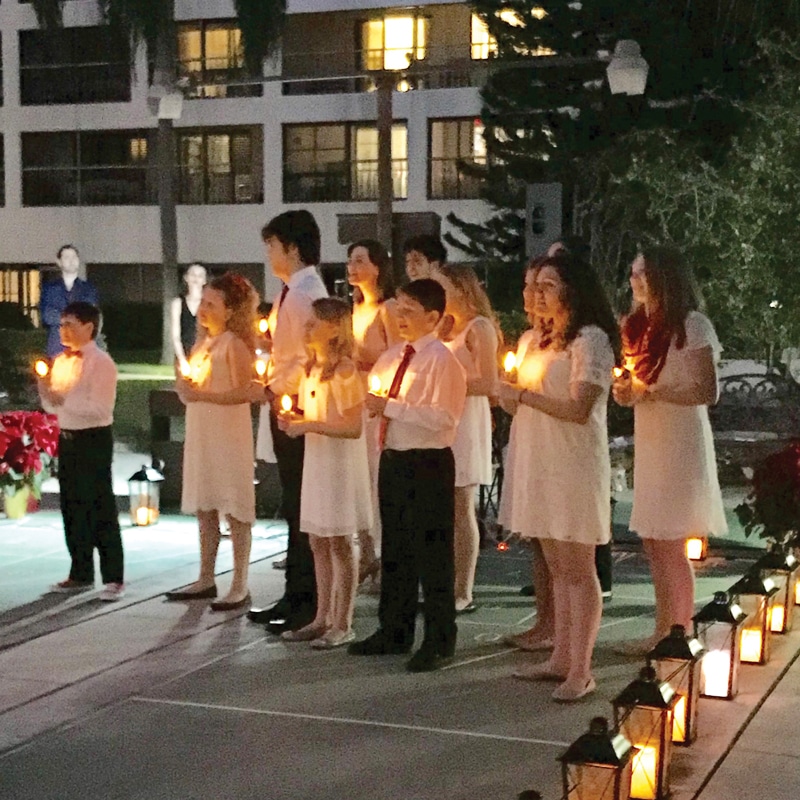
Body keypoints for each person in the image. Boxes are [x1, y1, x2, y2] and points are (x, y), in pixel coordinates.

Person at [498, 253, 618, 701]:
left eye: (548, 284)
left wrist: (525, 396)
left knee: (578, 568)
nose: (537, 294)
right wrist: (508, 392)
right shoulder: (532, 339)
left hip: (573, 463)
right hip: (539, 460)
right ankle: (560, 656)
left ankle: (581, 668)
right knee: (556, 567)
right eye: (534, 286)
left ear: (573, 289)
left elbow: (579, 407)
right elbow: (514, 403)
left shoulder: (589, 340)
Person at [348, 279, 466, 672]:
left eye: (410, 310)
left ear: (433, 317)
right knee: (395, 548)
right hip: (394, 458)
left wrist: (392, 408)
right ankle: (393, 629)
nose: (400, 316)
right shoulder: (394, 356)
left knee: (433, 552)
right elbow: (377, 395)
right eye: (398, 308)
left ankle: (439, 637)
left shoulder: (442, 360)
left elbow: (445, 418)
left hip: (428, 461)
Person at [612, 246, 726, 653]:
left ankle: (678, 634)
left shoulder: (691, 325)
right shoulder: (638, 326)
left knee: (671, 540)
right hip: (652, 439)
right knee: (653, 540)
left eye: (643, 272)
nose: (635, 280)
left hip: (680, 441)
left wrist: (652, 390)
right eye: (633, 272)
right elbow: (635, 388)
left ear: (665, 276)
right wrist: (627, 393)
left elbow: (705, 390)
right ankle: (663, 629)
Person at [248, 210, 328, 634]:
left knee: (301, 506)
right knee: (294, 504)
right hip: (287, 401)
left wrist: (274, 388)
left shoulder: (303, 293)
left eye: (272, 245)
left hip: (296, 405)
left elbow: (307, 356)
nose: (268, 254)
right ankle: (293, 593)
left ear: (292, 248)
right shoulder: (292, 291)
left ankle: (305, 598)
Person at [278, 298, 371, 649]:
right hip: (318, 461)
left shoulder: (345, 370)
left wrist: (309, 425)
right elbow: (310, 412)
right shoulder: (311, 369)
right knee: (318, 538)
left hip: (339, 464)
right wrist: (293, 420)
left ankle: (342, 621)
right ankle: (322, 615)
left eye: (313, 323)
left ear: (333, 328)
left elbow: (352, 426)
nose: (306, 329)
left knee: (340, 540)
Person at [166, 272, 258, 611]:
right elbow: (193, 388)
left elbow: (248, 391)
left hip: (227, 433)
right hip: (202, 431)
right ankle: (206, 576)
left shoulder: (233, 345)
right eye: (202, 303)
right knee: (205, 504)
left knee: (234, 506)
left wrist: (204, 395)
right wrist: (184, 388)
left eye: (211, 304)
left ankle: (239, 583)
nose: (203, 309)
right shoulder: (203, 343)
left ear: (230, 311)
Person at [38, 301, 124, 601]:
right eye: (61, 324)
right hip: (68, 438)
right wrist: (46, 392)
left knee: (100, 505)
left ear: (88, 327)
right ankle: (80, 571)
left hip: (94, 440)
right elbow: (54, 405)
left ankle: (113, 577)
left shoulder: (102, 363)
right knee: (71, 506)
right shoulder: (60, 361)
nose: (63, 330)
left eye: (69, 324)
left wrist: (62, 400)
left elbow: (101, 409)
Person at [432, 264, 498, 614]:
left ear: (461, 289)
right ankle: (444, 580)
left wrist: (450, 387)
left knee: (462, 503)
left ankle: (464, 587)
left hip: (467, 418)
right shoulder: (446, 327)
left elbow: (490, 382)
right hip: (442, 418)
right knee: (443, 503)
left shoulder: (479, 328)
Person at [346, 239, 401, 589]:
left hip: (377, 394)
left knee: (376, 474)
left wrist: (366, 362)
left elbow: (399, 353)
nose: (351, 267)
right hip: (354, 395)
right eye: (349, 261)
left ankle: (383, 555)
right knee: (358, 477)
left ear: (377, 267)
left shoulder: (389, 308)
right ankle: (366, 552)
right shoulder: (353, 308)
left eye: (359, 260)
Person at [40, 245, 99, 358]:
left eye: (74, 257)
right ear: (59, 262)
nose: (71, 261)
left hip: (83, 348)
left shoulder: (89, 289)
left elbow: (89, 316)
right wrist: (75, 318)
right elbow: (47, 316)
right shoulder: (50, 289)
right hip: (57, 347)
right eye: (67, 257)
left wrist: (63, 318)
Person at [170, 263, 207, 371]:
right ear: (186, 278)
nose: (196, 278)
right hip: (184, 354)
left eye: (200, 276)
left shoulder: (209, 304)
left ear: (204, 280)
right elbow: (175, 336)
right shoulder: (177, 303)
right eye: (193, 274)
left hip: (205, 357)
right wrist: (182, 360)